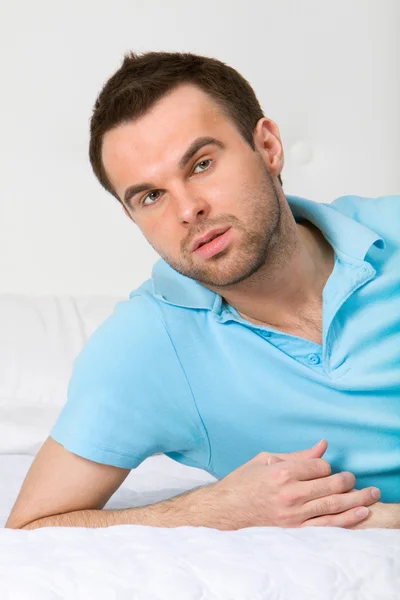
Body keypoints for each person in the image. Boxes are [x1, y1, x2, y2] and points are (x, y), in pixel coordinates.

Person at [6, 51, 400, 531]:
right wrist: (212, 510)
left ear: (269, 146)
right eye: (151, 196)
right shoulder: (147, 347)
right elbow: (31, 529)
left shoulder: (392, 230)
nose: (188, 209)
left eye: (201, 165)